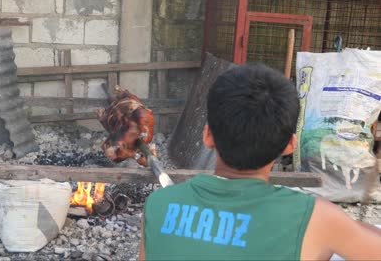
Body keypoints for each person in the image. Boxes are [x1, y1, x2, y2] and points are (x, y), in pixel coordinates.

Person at [139, 63, 381, 260]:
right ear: (290, 145)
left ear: (207, 135)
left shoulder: (158, 203)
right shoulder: (316, 217)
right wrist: (348, 229)